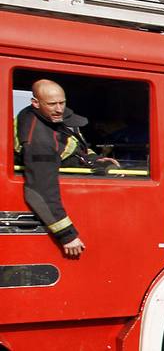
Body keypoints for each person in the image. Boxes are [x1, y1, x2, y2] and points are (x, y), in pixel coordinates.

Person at [13, 80, 115, 257]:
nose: (59, 109)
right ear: (35, 103)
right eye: (52, 104)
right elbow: (40, 191)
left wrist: (96, 159)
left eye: (62, 102)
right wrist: (67, 235)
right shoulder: (39, 140)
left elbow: (74, 143)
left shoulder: (50, 115)